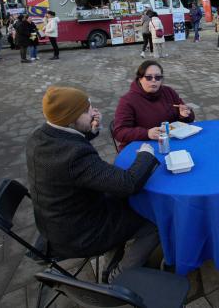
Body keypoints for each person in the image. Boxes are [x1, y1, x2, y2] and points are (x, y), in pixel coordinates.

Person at [26, 86, 160, 283]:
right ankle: (119, 276)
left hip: (54, 222)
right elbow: (128, 183)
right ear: (71, 117)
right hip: (80, 234)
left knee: (120, 199)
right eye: (87, 110)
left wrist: (90, 129)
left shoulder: (39, 137)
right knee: (153, 219)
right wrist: (146, 155)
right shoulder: (74, 156)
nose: (93, 112)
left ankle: (112, 254)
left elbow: (71, 143)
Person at [113, 61, 195, 150]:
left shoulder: (169, 92)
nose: (154, 80)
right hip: (141, 148)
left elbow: (189, 118)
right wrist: (147, 133)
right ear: (140, 79)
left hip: (171, 143)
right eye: (148, 77)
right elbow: (119, 133)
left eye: (158, 77)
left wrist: (184, 115)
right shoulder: (127, 101)